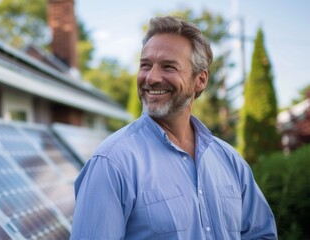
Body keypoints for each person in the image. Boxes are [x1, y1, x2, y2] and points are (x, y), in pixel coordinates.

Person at [70, 15, 277, 239]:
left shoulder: (231, 161)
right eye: (145, 65)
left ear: (200, 80)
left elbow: (261, 235)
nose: (152, 77)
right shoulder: (112, 163)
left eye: (168, 66)